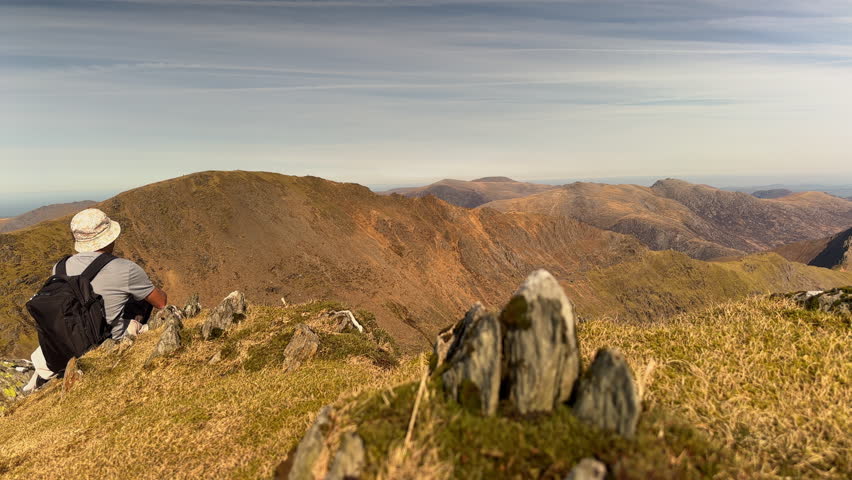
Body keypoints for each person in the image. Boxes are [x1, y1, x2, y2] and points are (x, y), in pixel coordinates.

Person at [22, 208, 167, 391]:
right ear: (109, 237)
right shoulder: (125, 268)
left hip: (64, 344)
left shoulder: (59, 267)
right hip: (104, 342)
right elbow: (161, 303)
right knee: (140, 300)